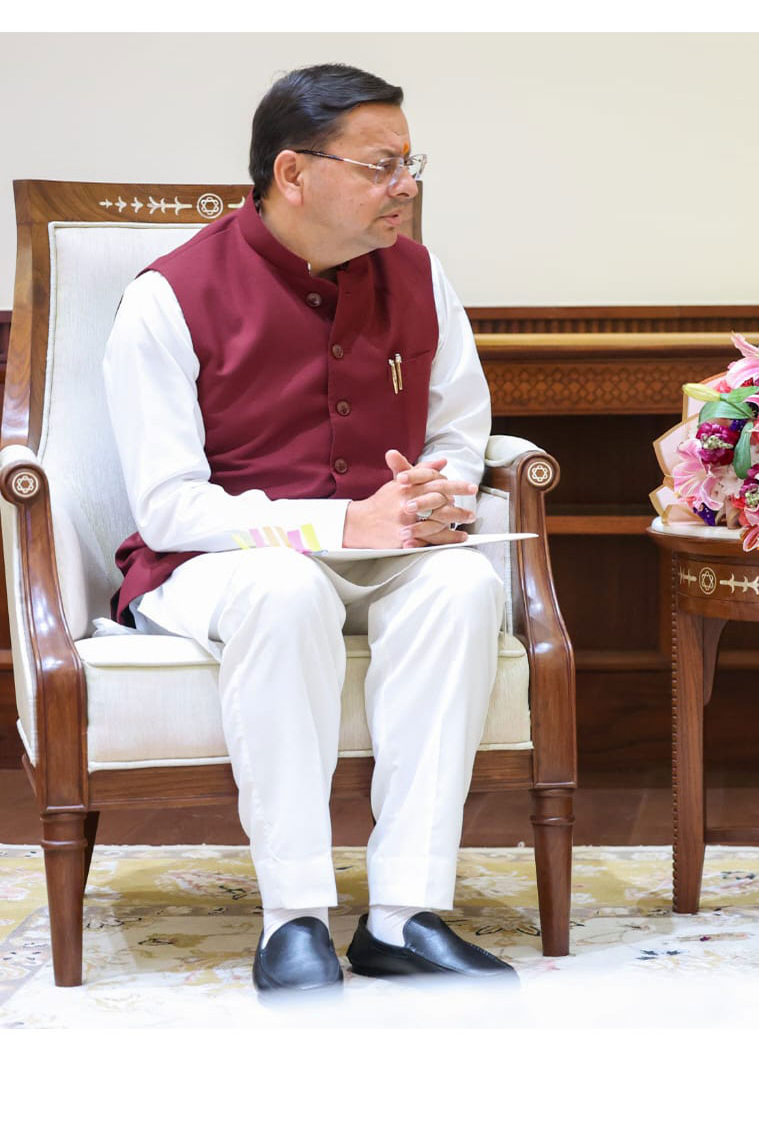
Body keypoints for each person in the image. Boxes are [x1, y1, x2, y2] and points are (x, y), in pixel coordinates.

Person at [103, 63, 516, 996]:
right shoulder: (167, 298)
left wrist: (436, 496)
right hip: (215, 562)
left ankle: (404, 915)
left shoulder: (419, 275)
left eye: (411, 165)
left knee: (462, 584)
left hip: (385, 555)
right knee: (287, 591)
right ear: (294, 173)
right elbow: (168, 503)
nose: (405, 187)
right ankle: (291, 915)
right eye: (381, 166)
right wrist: (340, 521)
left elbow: (457, 427)